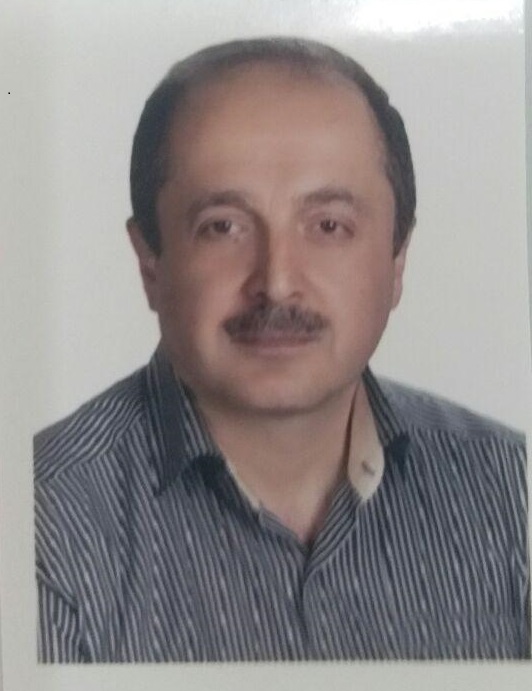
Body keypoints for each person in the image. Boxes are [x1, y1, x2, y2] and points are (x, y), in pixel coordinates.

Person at [34, 37, 529, 662]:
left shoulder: (512, 490)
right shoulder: (38, 529)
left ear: (397, 259)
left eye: (329, 226)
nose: (276, 281)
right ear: (150, 263)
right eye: (223, 226)